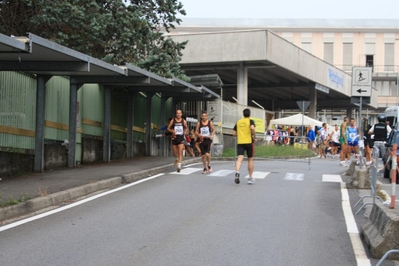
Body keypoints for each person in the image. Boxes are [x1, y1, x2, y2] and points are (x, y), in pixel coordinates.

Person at [233, 108, 257, 184]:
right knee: (250, 159)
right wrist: (254, 136)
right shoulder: (250, 121)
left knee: (240, 158)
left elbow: (234, 133)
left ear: (243, 114)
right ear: (249, 114)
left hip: (240, 142)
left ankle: (237, 171)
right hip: (249, 142)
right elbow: (252, 128)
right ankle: (250, 178)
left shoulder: (238, 122)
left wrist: (240, 134)